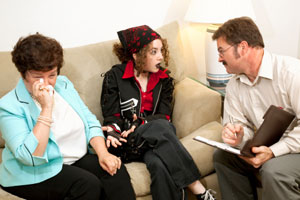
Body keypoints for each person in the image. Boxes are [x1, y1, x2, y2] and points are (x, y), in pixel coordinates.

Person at [0, 33, 135, 200]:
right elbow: (30, 158)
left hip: (73, 160)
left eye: (52, 75)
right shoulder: (9, 106)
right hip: (32, 172)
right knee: (87, 185)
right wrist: (46, 108)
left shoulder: (63, 84)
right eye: (37, 77)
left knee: (115, 169)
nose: (46, 83)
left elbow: (90, 121)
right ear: (23, 74)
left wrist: (103, 154)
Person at [100, 25, 216, 200]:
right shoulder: (115, 76)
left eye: (161, 50)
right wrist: (116, 131)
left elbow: (164, 115)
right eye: (153, 52)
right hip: (127, 141)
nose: (161, 56)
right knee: (162, 127)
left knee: (159, 164)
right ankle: (199, 190)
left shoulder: (164, 81)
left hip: (155, 140)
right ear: (136, 54)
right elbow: (111, 117)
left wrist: (141, 122)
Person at [212, 17, 300, 200]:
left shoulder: (291, 73)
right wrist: (238, 136)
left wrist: (274, 151)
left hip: (295, 148)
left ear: (242, 47)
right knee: (222, 156)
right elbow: (238, 124)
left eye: (222, 51)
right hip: (268, 146)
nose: (219, 58)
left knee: (273, 170)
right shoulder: (234, 85)